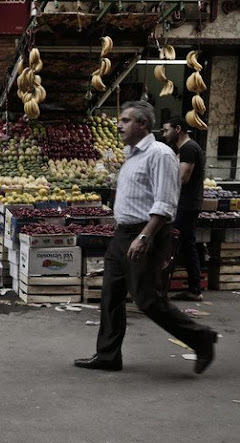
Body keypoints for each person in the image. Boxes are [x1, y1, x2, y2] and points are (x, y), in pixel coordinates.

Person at [74, 101, 217, 374]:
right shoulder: (131, 154)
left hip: (145, 233)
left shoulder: (160, 154)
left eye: (126, 120)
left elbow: (165, 202)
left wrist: (145, 236)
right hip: (122, 233)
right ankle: (108, 355)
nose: (119, 125)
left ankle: (200, 338)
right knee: (110, 294)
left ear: (142, 124)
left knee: (147, 299)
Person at [162, 116, 206, 301]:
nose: (164, 134)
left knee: (171, 245)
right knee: (187, 245)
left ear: (177, 129)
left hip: (185, 206)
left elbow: (182, 179)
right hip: (187, 204)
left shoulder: (188, 148)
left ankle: (160, 290)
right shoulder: (186, 148)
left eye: (166, 130)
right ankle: (194, 289)